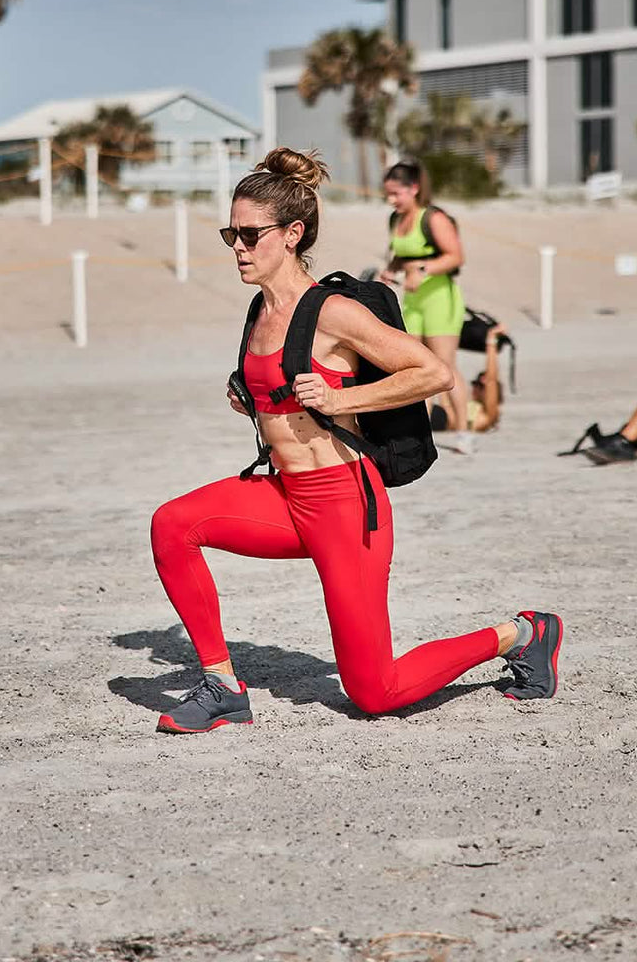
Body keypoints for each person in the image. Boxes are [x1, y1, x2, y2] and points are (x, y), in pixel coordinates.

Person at [149, 148, 563, 734]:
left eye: (249, 234)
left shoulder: (334, 310)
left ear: (292, 234)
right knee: (172, 524)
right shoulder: (258, 311)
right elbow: (285, 395)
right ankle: (222, 685)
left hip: (346, 505)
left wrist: (342, 401)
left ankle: (523, 635)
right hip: (285, 495)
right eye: (229, 234)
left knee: (374, 691)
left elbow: (432, 373)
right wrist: (252, 399)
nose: (237, 247)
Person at [379, 161, 472, 454]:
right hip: (412, 299)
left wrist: (422, 269)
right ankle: (420, 432)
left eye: (396, 194)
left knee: (444, 366)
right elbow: (400, 254)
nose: (392, 200)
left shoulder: (433, 218)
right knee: (414, 366)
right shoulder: (395, 219)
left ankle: (463, 432)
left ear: (414, 189)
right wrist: (390, 270)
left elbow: (456, 256)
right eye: (388, 195)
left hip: (439, 298)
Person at [468, 323, 507, 433]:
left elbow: (491, 380)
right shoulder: (465, 406)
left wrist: (491, 339)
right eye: (475, 384)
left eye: (481, 386)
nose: (475, 388)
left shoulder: (488, 417)